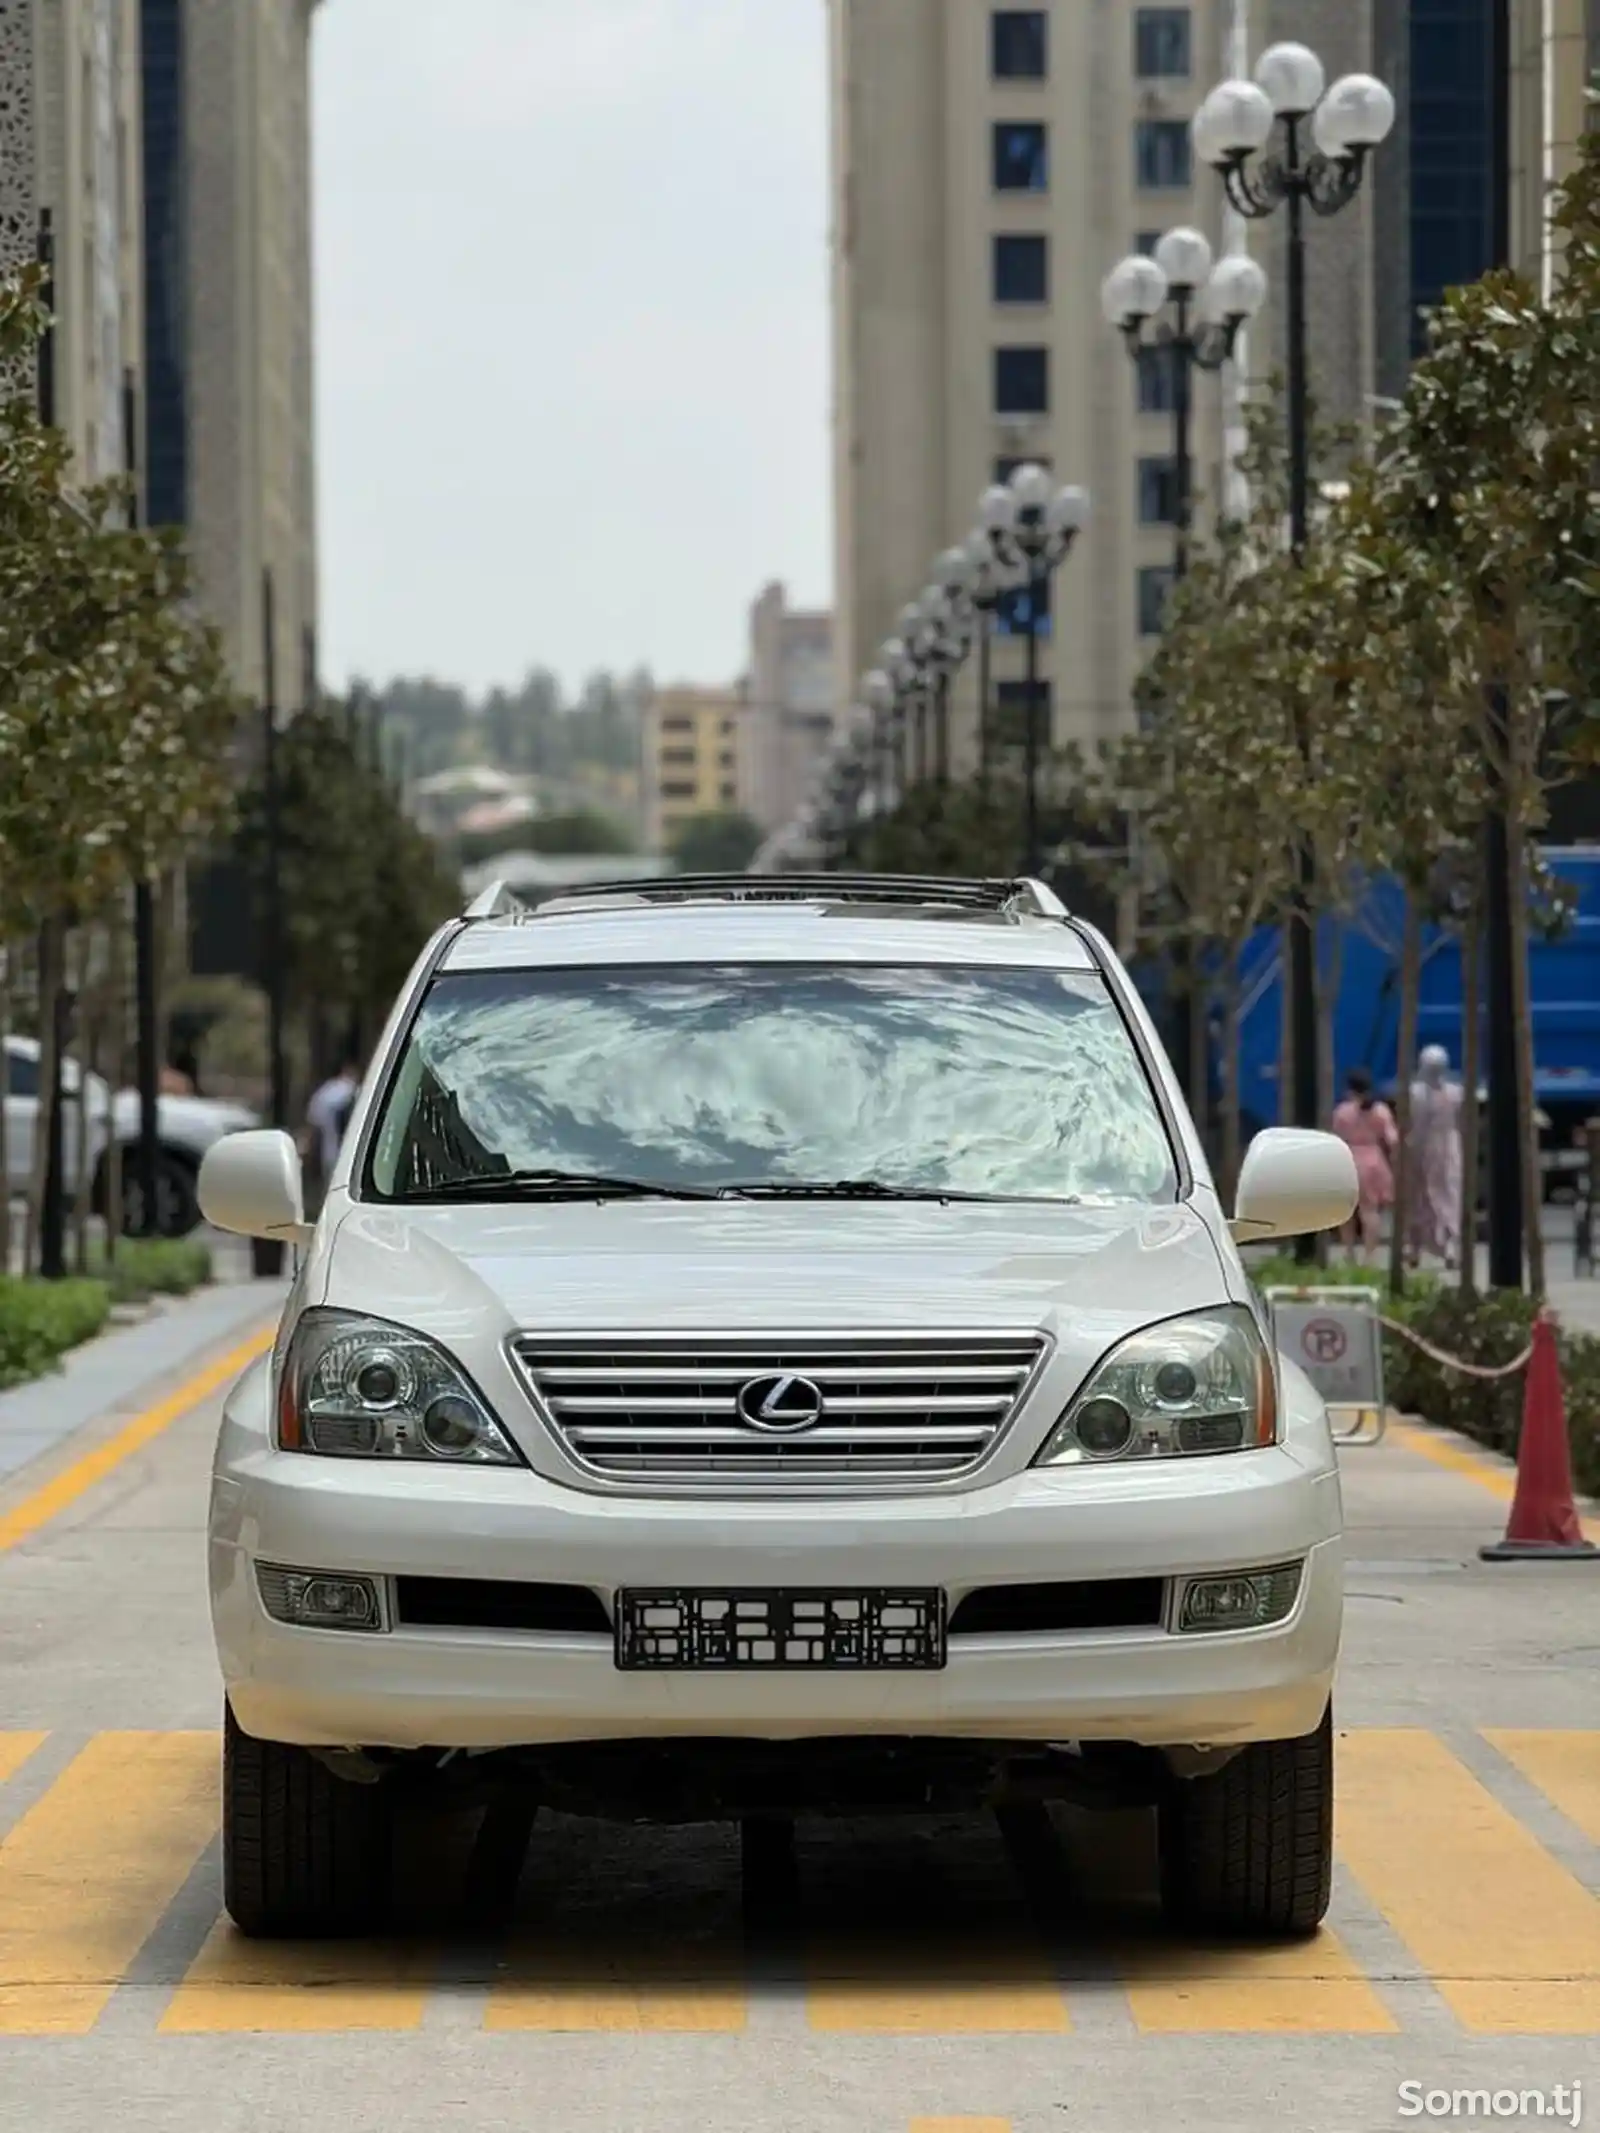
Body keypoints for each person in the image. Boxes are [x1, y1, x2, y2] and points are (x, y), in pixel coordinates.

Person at [1330, 1066, 1399, 1262]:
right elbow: (1392, 1139)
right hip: (1373, 1159)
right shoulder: (1379, 1110)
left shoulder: (1342, 1112)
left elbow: (1336, 1137)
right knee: (1370, 1211)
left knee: (1347, 1212)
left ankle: (1349, 1252)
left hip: (1348, 1159)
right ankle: (1370, 1255)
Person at [1405, 1044, 1464, 1269]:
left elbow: (1412, 1125)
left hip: (1423, 1146)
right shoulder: (1455, 1092)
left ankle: (1416, 1249)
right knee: (1449, 1194)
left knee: (1421, 1197)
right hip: (1449, 1146)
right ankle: (1448, 1246)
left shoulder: (1415, 1094)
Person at [303, 1058, 361, 1197]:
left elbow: (313, 1127)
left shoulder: (324, 1093)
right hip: (356, 1157)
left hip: (330, 1155)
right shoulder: (360, 1091)